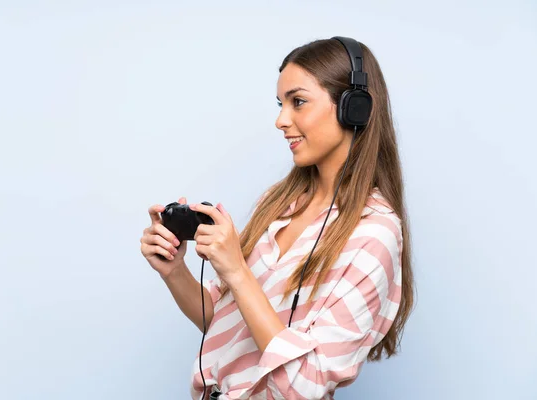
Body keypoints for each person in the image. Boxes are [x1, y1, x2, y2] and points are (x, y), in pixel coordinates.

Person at [140, 36, 414, 400]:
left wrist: (237, 270)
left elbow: (306, 385)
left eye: (298, 102)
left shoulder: (375, 233)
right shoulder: (281, 203)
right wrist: (175, 271)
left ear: (354, 108)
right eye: (281, 104)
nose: (281, 120)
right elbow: (223, 324)